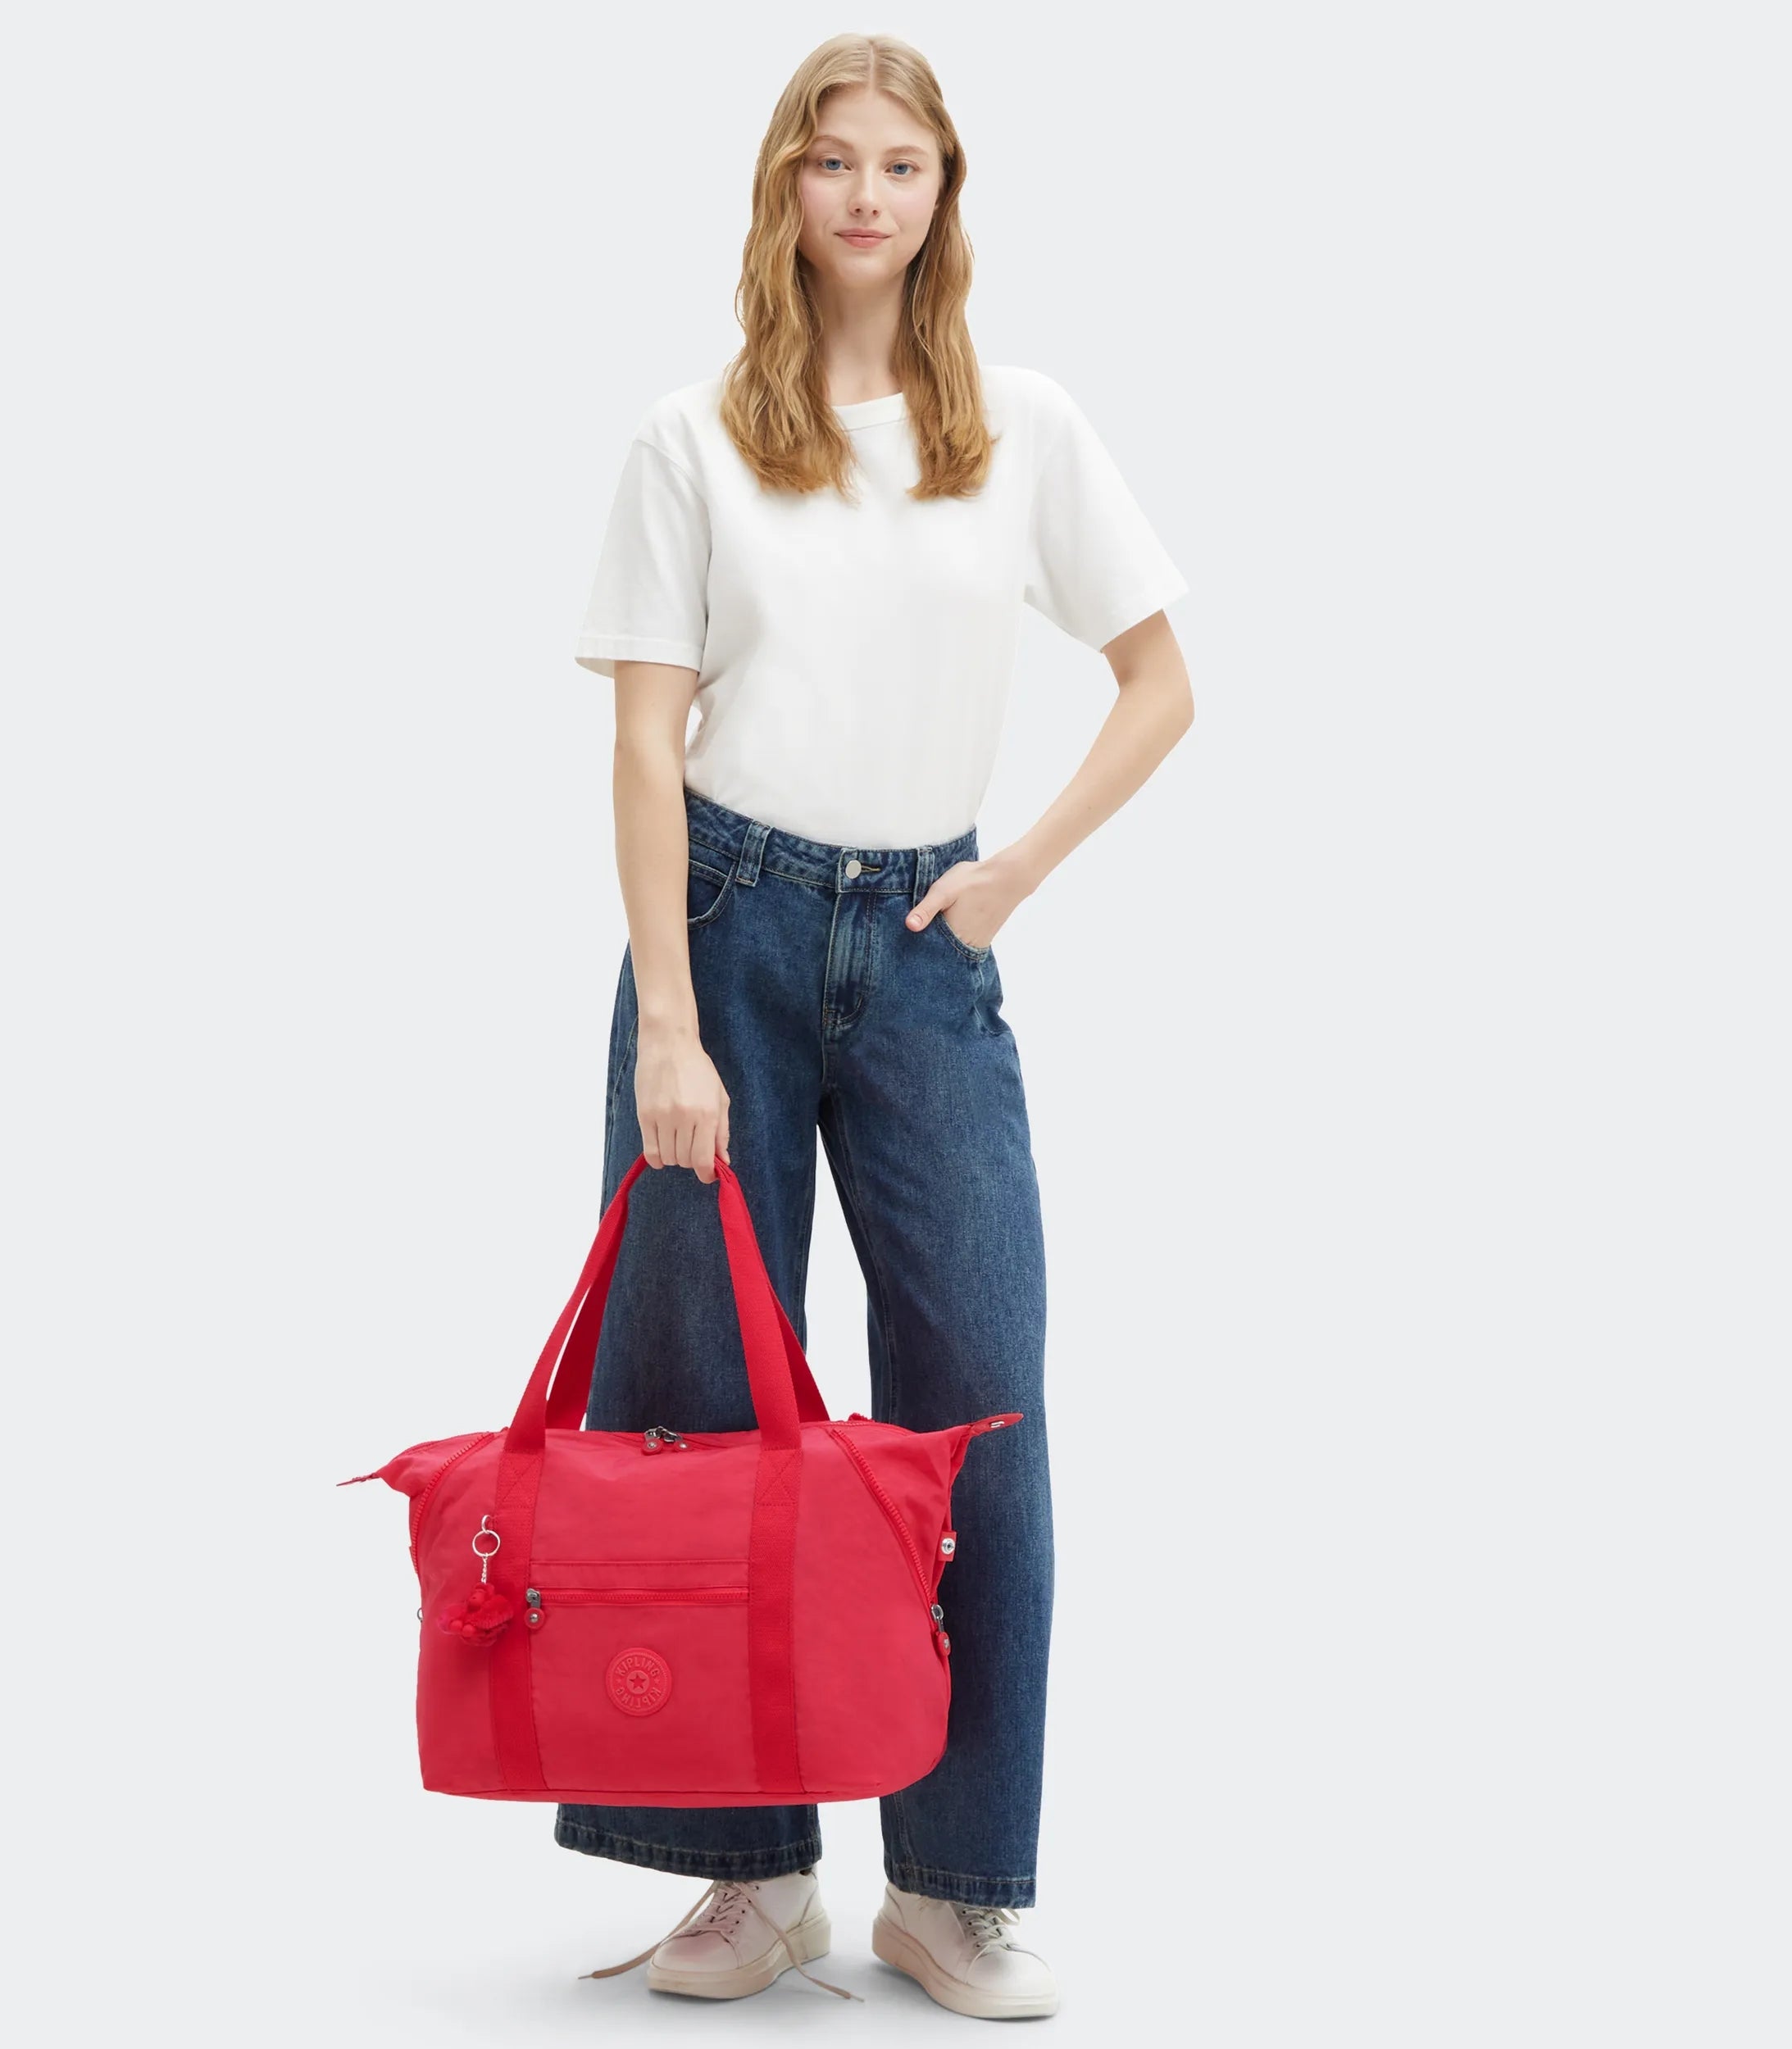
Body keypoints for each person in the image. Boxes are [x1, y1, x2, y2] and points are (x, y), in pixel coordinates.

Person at [557, 31, 1194, 2022]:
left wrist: (1014, 876)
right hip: (720, 934)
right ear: (783, 186)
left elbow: (1160, 680)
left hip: (927, 945)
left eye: (898, 163)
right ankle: (748, 1874)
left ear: (942, 192)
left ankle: (952, 1884)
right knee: (701, 1412)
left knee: (975, 1404)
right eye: (828, 160)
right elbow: (643, 744)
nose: (862, 194)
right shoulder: (689, 439)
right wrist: (670, 1025)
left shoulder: (1020, 427)